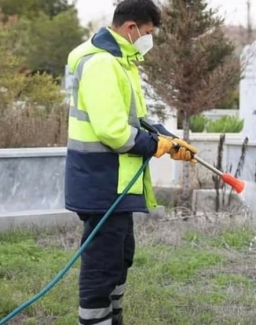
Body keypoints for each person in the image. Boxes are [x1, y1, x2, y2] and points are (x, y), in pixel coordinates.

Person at [64, 1, 197, 324]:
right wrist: (156, 146)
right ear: (130, 28)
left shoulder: (122, 62)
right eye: (148, 33)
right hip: (101, 180)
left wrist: (168, 137)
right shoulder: (101, 64)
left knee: (120, 256)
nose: (148, 39)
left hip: (115, 183)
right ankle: (95, 320)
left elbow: (136, 119)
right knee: (102, 262)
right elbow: (113, 131)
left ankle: (114, 317)